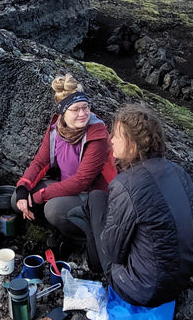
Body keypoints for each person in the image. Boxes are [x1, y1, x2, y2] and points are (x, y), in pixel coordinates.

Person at [85, 103, 193, 308]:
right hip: (181, 280)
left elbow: (112, 253)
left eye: (116, 135)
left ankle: (93, 267)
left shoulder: (126, 184)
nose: (111, 140)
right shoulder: (179, 172)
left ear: (133, 144)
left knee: (96, 200)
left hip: (142, 289)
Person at [12, 73, 116, 254]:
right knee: (17, 199)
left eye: (86, 107)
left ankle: (84, 239)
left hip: (93, 196)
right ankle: (56, 230)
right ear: (63, 112)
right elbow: (40, 162)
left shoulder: (97, 135)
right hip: (68, 188)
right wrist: (23, 188)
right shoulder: (57, 129)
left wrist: (38, 196)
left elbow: (81, 181)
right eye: (75, 109)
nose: (83, 114)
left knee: (54, 209)